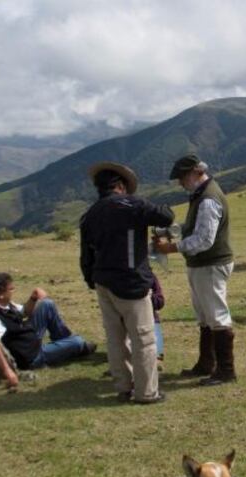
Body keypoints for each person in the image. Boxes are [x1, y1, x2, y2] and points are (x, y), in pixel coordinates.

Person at [80, 160, 174, 404]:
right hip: (131, 282)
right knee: (144, 338)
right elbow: (166, 216)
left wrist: (91, 279)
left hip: (103, 282)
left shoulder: (90, 214)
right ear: (120, 185)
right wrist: (142, 203)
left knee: (115, 337)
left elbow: (86, 254)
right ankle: (146, 392)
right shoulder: (132, 205)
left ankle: (123, 387)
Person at [154, 154, 236, 386]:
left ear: (196, 173)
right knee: (205, 316)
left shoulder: (208, 199)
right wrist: (167, 232)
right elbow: (194, 227)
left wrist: (170, 247)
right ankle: (206, 364)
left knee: (217, 316)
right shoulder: (201, 195)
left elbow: (203, 240)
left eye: (182, 177)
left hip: (210, 263)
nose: (180, 182)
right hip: (203, 264)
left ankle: (226, 370)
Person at [0, 274, 96, 388]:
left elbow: (24, 312)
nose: (13, 291)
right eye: (11, 289)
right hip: (33, 356)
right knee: (78, 341)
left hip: (30, 338)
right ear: (0, 294)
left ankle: (63, 342)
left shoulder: (6, 305)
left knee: (47, 304)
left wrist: (33, 298)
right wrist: (7, 370)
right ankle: (75, 348)